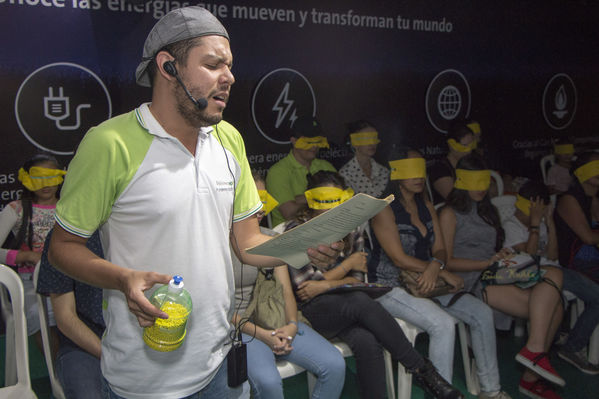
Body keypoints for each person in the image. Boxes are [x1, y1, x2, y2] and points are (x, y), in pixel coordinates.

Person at [48, 7, 342, 399]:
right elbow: (61, 249)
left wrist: (302, 246)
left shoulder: (230, 140)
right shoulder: (109, 144)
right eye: (213, 64)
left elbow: (248, 243)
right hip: (144, 377)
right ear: (168, 67)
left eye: (230, 65)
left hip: (220, 362)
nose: (230, 77)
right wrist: (121, 278)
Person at [285, 171, 463, 399]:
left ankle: (418, 374)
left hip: (346, 308)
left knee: (367, 341)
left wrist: (328, 284)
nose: (332, 208)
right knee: (359, 301)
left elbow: (357, 281)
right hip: (310, 315)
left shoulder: (353, 227)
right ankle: (422, 370)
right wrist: (346, 267)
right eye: (325, 201)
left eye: (337, 201)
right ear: (311, 202)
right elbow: (306, 289)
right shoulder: (295, 232)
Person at [370, 147, 511, 399]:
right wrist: (438, 270)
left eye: (421, 170)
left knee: (481, 313)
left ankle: (491, 390)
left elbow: (441, 250)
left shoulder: (426, 204)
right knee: (443, 324)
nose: (418, 176)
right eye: (411, 170)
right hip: (390, 286)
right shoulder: (383, 208)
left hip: (429, 281)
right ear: (397, 173)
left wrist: (437, 267)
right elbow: (398, 258)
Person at [438, 154, 565, 399]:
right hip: (471, 280)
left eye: (485, 182)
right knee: (553, 305)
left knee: (555, 275)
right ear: (462, 181)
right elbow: (447, 261)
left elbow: (490, 249)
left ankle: (534, 352)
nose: (482, 188)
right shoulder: (449, 214)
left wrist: (501, 255)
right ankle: (531, 375)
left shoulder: (488, 210)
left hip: (495, 270)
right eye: (475, 182)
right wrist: (485, 262)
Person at [232, 173, 346, 399]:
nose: (260, 207)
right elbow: (221, 310)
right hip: (239, 327)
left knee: (335, 364)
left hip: (276, 318)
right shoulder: (216, 243)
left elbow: (285, 290)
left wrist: (292, 325)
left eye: (263, 199)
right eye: (253, 199)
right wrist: (265, 335)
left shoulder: (272, 237)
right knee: (269, 382)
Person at [503, 180, 599, 375]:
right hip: (534, 274)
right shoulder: (510, 226)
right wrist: (535, 225)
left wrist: (551, 224)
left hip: (555, 270)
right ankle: (569, 347)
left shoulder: (543, 224)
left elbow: (553, 255)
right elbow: (531, 259)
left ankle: (569, 345)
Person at [0, 153, 64, 344]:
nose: (46, 184)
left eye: (51, 177)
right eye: (39, 178)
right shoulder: (15, 209)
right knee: (39, 315)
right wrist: (24, 255)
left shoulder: (69, 207)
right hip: (31, 283)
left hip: (71, 279)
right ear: (27, 179)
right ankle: (56, 368)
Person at [37, 229, 105, 399]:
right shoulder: (62, 240)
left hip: (136, 340)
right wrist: (109, 354)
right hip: (85, 343)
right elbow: (65, 317)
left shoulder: (139, 234)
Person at [266, 116, 336, 227]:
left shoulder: (326, 166)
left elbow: (342, 201)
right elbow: (289, 212)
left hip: (328, 227)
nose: (315, 146)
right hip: (290, 232)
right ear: (294, 141)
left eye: (318, 141)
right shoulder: (278, 172)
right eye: (308, 141)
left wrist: (300, 199)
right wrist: (322, 197)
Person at [555, 150, 599, 284]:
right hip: (577, 260)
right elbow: (589, 238)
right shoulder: (568, 199)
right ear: (581, 171)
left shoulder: (593, 197)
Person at [428, 120, 476, 204]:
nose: (469, 151)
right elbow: (455, 200)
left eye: (471, 145)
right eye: (464, 146)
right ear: (451, 145)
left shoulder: (470, 164)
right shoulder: (440, 169)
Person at [338, 120, 389, 198]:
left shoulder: (384, 171)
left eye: (374, 138)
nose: (372, 143)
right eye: (366, 139)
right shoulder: (345, 174)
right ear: (353, 142)